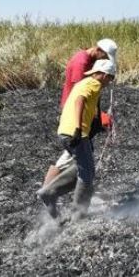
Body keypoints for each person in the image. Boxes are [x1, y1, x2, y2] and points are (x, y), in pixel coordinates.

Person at [36, 59, 116, 220]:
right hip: (76, 133)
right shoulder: (94, 84)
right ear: (104, 75)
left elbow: (81, 105)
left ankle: (50, 193)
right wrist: (78, 129)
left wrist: (96, 124)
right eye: (110, 78)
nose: (110, 82)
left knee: (84, 167)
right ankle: (76, 212)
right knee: (87, 174)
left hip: (64, 131)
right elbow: (80, 100)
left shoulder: (84, 82)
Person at [41, 38, 118, 186]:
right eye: (105, 57)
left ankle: (52, 189)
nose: (105, 60)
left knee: (75, 154)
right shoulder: (81, 63)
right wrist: (96, 118)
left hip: (81, 114)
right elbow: (80, 95)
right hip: (75, 115)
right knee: (75, 156)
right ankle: (51, 190)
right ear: (99, 50)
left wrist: (97, 116)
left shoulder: (88, 61)